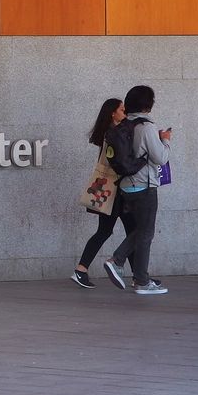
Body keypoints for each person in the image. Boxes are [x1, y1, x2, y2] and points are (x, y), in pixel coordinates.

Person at [103, 85, 171, 295]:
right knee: (145, 232)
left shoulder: (124, 125)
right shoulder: (146, 127)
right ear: (147, 104)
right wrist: (165, 141)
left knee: (141, 230)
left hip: (126, 185)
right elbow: (160, 158)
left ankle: (140, 277)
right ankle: (120, 263)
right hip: (144, 184)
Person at [71, 98, 140, 288]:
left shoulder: (112, 132)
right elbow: (118, 163)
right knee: (130, 231)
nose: (125, 112)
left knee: (113, 231)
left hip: (111, 190)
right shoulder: (113, 134)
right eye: (122, 109)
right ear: (113, 112)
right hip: (115, 191)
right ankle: (138, 277)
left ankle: (82, 269)